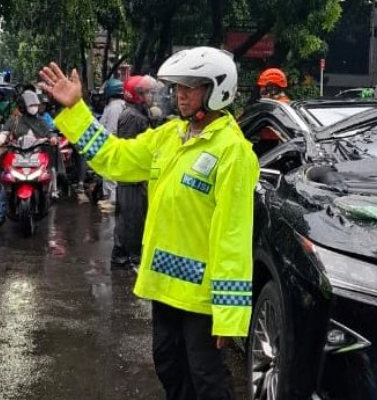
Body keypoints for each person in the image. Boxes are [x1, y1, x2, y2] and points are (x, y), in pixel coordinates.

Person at [40, 46, 259, 400]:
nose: (181, 94)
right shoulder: (169, 137)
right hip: (164, 288)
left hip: (202, 300)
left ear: (217, 89)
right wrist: (75, 111)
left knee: (207, 380)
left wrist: (229, 314)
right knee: (168, 366)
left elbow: (233, 236)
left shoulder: (232, 152)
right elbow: (114, 158)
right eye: (178, 86)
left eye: (191, 86)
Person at [109, 75, 162, 269]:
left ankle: (128, 254)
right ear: (136, 94)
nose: (150, 96)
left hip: (137, 176)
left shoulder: (140, 113)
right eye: (146, 92)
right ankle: (125, 256)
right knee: (130, 218)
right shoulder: (132, 116)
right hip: (131, 177)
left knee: (135, 217)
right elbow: (131, 148)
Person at [0, 91, 57, 229]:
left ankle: (51, 194)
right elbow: (4, 132)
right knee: (6, 183)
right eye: (31, 105)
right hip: (17, 154)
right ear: (23, 106)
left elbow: (49, 133)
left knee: (48, 175)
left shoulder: (41, 121)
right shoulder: (15, 120)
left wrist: (52, 138)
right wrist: (0, 141)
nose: (34, 107)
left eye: (35, 105)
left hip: (36, 155)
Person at [96, 78, 126, 209]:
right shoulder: (119, 104)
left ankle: (112, 199)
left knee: (110, 173)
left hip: (111, 143)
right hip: (115, 143)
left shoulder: (114, 107)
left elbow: (112, 129)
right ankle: (110, 197)